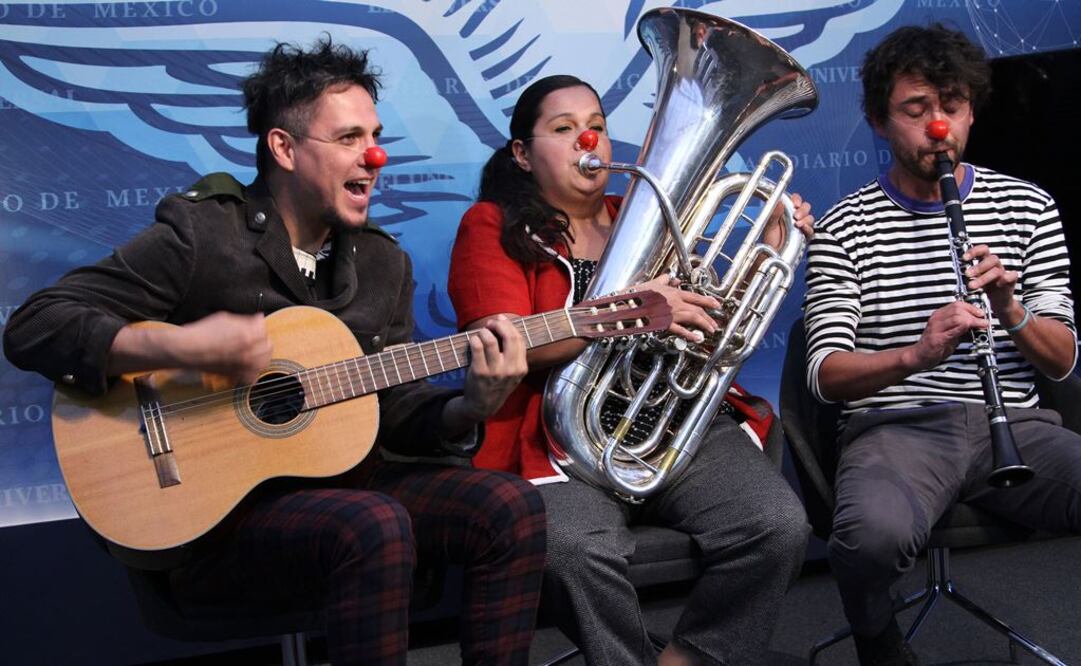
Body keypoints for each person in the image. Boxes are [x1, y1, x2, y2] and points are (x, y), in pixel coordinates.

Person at [3, 38, 548, 666]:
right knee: (372, 522)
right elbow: (36, 325)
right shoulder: (204, 233)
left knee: (509, 506)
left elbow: (393, 408)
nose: (374, 156)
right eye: (347, 139)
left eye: (374, 135)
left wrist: (469, 408)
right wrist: (181, 344)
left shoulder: (381, 261)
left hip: (348, 487)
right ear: (283, 148)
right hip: (215, 519)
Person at [447, 74, 813, 666]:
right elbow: (502, 343)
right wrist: (629, 312)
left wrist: (767, 254)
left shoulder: (648, 214)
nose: (588, 141)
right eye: (563, 130)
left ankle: (688, 658)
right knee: (569, 550)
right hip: (558, 439)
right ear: (522, 153)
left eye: (596, 126)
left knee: (776, 526)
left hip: (674, 424)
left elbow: (709, 329)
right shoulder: (492, 225)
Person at [803, 23, 1081, 666]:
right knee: (871, 537)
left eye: (951, 107)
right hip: (896, 427)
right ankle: (878, 641)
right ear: (879, 121)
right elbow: (824, 374)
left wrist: (1010, 310)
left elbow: (1064, 359)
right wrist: (915, 355)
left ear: (972, 112)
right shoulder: (846, 225)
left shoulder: (1029, 205)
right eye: (916, 109)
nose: (938, 128)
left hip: (1013, 422)